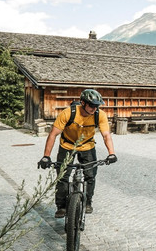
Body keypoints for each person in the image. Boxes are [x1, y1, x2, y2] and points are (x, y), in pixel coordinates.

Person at [38, 89, 117, 218]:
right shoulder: (68, 113)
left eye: (97, 106)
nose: (94, 108)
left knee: (90, 176)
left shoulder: (99, 115)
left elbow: (106, 135)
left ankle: (87, 202)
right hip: (67, 145)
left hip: (87, 146)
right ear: (82, 103)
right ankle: (61, 206)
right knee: (63, 176)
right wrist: (46, 156)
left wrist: (111, 153)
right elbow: (53, 134)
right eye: (92, 105)